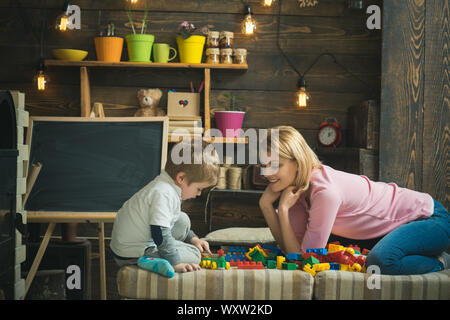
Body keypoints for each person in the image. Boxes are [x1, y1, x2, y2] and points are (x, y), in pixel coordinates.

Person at [258, 125, 449, 275]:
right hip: (390, 232)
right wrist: (267, 206)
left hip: (431, 220)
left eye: (275, 165)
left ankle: (441, 261)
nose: (266, 173)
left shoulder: (325, 192)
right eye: (264, 165)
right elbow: (291, 251)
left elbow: (306, 259)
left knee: (380, 262)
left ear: (297, 162)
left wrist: (282, 210)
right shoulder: (296, 191)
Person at [110, 139, 219, 273]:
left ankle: (166, 250)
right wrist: (175, 263)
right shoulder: (164, 194)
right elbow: (159, 232)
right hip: (132, 253)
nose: (198, 194)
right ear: (181, 178)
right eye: (199, 189)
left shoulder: (166, 184)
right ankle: (147, 261)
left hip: (139, 238)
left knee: (183, 219)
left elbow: (171, 220)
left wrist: (193, 238)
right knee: (194, 255)